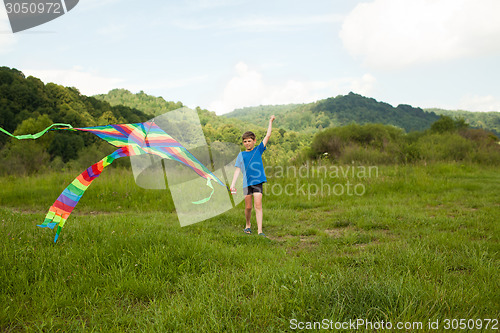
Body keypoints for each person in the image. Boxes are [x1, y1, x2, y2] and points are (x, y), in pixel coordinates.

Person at [230, 115, 275, 237]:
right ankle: (248, 225)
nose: (247, 143)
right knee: (248, 207)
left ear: (254, 141)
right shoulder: (241, 155)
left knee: (258, 205)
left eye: (249, 141)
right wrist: (233, 185)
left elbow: (268, 135)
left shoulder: (258, 150)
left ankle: (260, 231)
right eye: (245, 141)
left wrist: (270, 121)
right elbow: (237, 171)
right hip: (246, 183)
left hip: (258, 181)